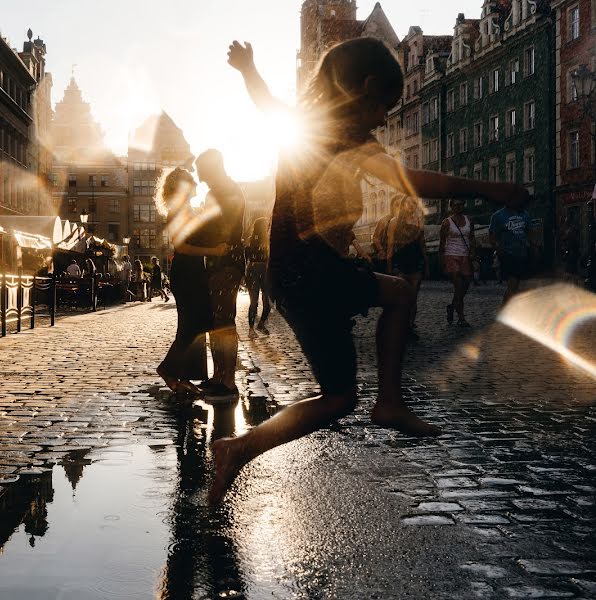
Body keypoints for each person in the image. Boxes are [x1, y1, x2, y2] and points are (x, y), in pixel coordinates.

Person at [209, 38, 529, 505]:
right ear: (367, 87)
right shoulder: (345, 135)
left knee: (339, 395)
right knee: (396, 299)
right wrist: (490, 190)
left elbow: (267, 104)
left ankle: (239, 448)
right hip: (310, 269)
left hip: (299, 272)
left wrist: (248, 70)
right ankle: (389, 403)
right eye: (383, 105)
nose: (383, 118)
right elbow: (413, 181)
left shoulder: (310, 124)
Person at [156, 168, 228, 394]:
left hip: (195, 272)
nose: (196, 185)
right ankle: (168, 371)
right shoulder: (176, 211)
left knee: (197, 324)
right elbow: (182, 246)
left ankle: (185, 377)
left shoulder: (187, 209)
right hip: (185, 273)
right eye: (192, 183)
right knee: (191, 326)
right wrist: (214, 251)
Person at [195, 150, 246, 398]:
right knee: (217, 322)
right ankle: (218, 375)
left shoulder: (226, 191)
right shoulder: (218, 191)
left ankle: (228, 380)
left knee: (224, 322)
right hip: (218, 262)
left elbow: (220, 228)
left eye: (201, 169)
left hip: (227, 261)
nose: (199, 175)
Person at [386, 195, 427, 339]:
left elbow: (422, 244)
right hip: (400, 263)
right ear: (402, 205)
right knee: (401, 297)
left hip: (416, 263)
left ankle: (409, 327)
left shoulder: (418, 222)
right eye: (408, 203)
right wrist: (389, 266)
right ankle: (399, 326)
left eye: (414, 203)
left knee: (413, 298)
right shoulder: (394, 222)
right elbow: (391, 245)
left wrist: (426, 262)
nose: (411, 206)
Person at [489, 197, 534, 304]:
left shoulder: (524, 214)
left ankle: (504, 309)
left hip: (522, 253)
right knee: (512, 282)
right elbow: (492, 236)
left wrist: (532, 246)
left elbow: (530, 231)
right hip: (507, 253)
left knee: (515, 285)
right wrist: (497, 248)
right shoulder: (498, 216)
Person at [439, 198, 475, 327]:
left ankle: (452, 306)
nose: (459, 207)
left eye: (461, 204)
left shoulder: (469, 220)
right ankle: (461, 318)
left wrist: (473, 253)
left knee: (466, 284)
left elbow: (472, 238)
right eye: (456, 205)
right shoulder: (446, 223)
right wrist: (442, 261)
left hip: (465, 256)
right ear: (451, 206)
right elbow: (442, 243)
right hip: (451, 255)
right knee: (459, 285)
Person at [245, 217, 272, 336]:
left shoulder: (267, 240)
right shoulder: (252, 240)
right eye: (266, 225)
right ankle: (251, 329)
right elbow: (248, 256)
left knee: (267, 303)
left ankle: (261, 324)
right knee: (254, 301)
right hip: (254, 270)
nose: (267, 227)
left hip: (263, 270)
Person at [372, 197, 399, 272]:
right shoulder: (384, 220)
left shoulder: (407, 221)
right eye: (396, 205)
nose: (399, 207)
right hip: (386, 255)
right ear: (391, 207)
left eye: (401, 205)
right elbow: (375, 238)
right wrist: (381, 250)